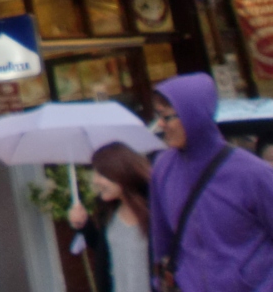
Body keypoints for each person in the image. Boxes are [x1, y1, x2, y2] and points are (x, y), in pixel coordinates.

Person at [150, 73, 273, 292]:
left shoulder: (252, 174)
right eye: (158, 115)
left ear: (194, 115)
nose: (161, 125)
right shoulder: (163, 168)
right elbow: (162, 243)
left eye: (167, 117)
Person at [67, 142, 152, 292]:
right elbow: (104, 251)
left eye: (101, 174)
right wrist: (84, 225)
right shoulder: (109, 213)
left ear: (120, 173)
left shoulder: (154, 210)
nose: (95, 180)